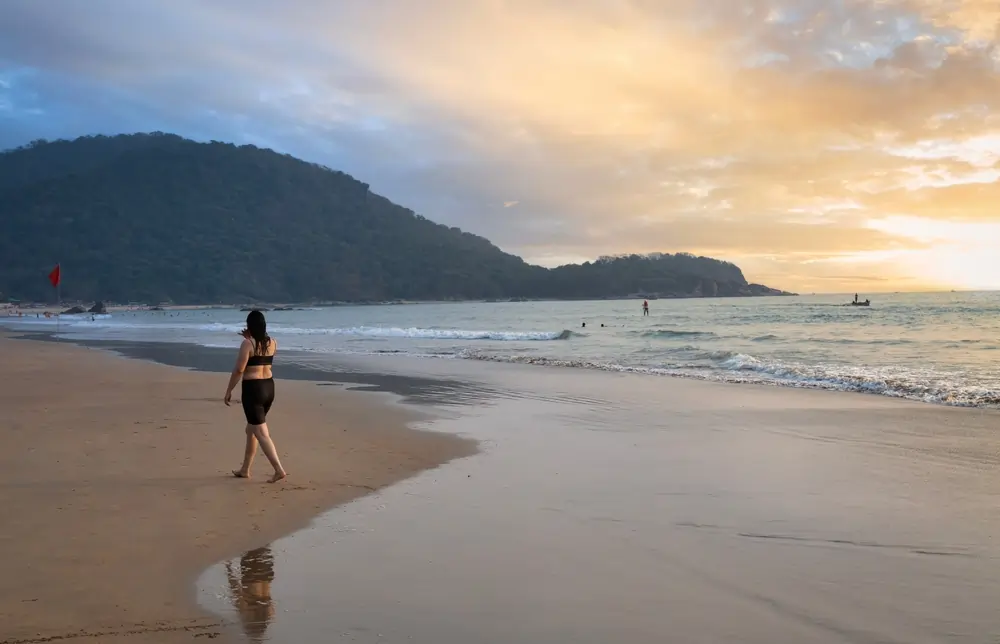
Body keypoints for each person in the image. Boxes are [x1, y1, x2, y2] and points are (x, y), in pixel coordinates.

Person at [225, 310, 287, 483]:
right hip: (269, 388)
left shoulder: (248, 344)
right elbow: (261, 355)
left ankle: (278, 470)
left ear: (249, 326)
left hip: (253, 390)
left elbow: (239, 369)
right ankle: (245, 469)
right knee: (251, 429)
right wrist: (249, 338)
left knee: (260, 432)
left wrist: (229, 390)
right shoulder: (273, 342)